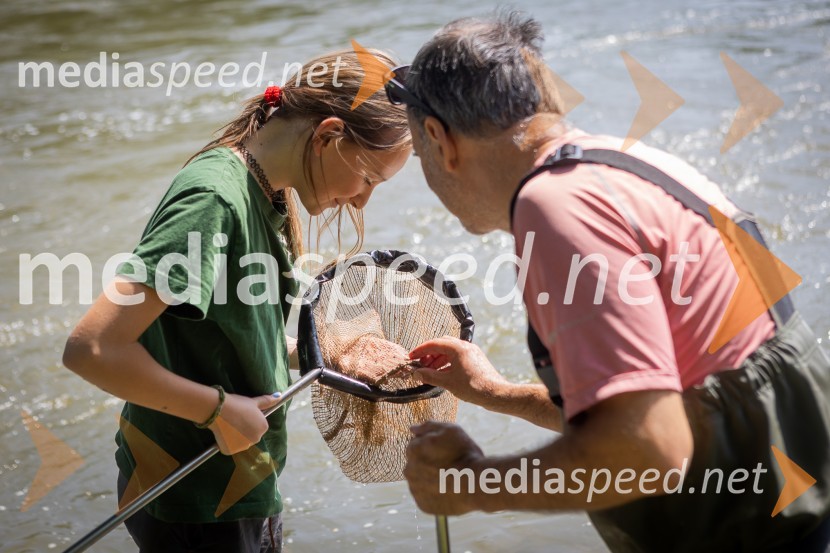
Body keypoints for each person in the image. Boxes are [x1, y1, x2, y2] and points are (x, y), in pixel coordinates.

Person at [392, 12, 830, 553]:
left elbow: (649, 449)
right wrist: (493, 393)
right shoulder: (630, 164)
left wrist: (471, 484)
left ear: (440, 139)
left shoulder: (554, 208)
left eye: (418, 154)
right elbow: (664, 401)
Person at [62, 48, 410, 553]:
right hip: (193, 497)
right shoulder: (213, 200)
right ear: (329, 135)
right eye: (369, 179)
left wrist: (321, 353)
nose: (362, 201)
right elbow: (93, 349)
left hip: (235, 487)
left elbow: (229, 334)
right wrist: (217, 411)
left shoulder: (265, 188)